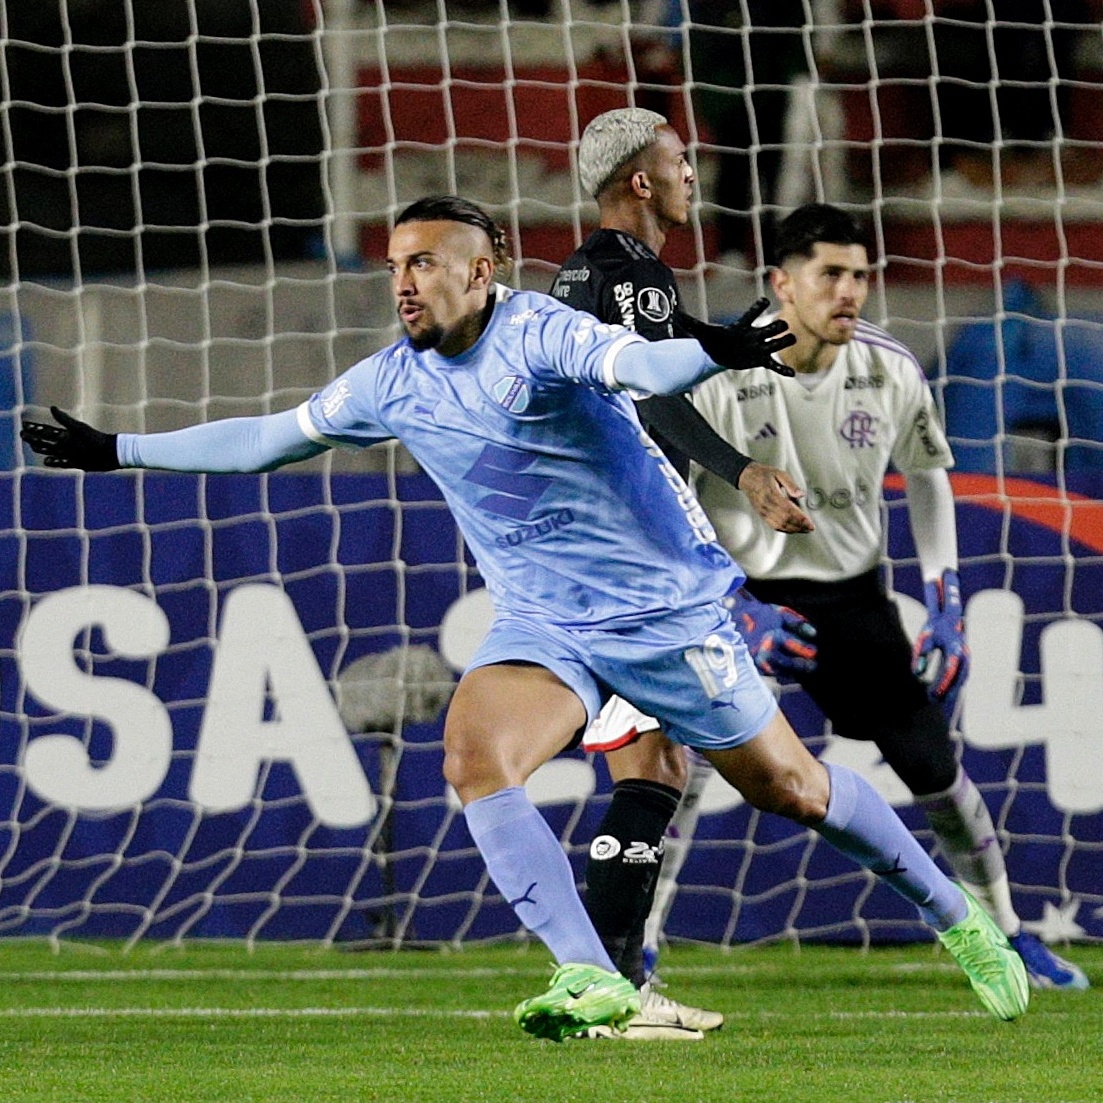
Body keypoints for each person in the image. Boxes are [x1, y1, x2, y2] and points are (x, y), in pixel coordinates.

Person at [22, 195, 1030, 1043]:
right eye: (394, 267)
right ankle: (593, 975)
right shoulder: (392, 379)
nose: (404, 282)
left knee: (794, 789)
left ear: (484, 266)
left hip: (664, 613)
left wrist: (707, 349)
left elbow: (633, 367)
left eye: (424, 262)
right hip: (544, 623)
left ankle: (957, 916)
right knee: (472, 752)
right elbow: (267, 439)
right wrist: (119, 450)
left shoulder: (539, 333)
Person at [650, 202, 1086, 992]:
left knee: (937, 772)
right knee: (681, 764)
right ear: (781, 284)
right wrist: (727, 604)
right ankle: (636, 945)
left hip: (850, 599)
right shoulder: (711, 369)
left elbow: (927, 479)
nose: (849, 291)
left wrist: (944, 601)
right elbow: (664, 498)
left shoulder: (888, 369)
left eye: (859, 274)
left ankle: (1010, 933)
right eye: (830, 275)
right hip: (734, 597)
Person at [550, 105, 817, 1040]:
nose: (691, 173)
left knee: (651, 761)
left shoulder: (615, 277)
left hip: (593, 548)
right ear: (639, 181)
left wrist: (729, 330)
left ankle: (613, 985)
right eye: (678, 160)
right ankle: (607, 989)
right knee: (657, 764)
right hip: (621, 555)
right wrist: (742, 469)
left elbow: (665, 354)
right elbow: (651, 400)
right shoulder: (623, 276)